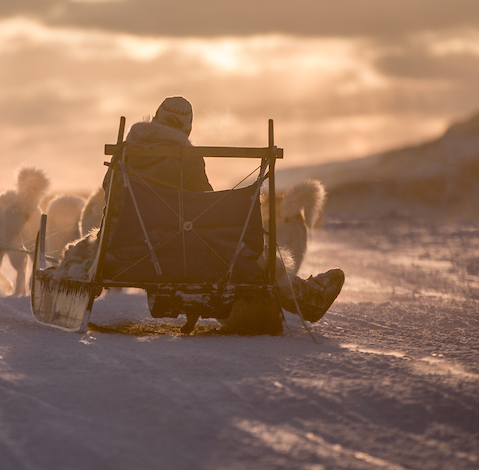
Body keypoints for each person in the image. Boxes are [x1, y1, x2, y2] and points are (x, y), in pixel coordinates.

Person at [131, 96, 345, 324]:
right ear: (187, 130)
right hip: (178, 251)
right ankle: (304, 297)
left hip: (131, 249)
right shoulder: (188, 160)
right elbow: (205, 209)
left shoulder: (126, 154)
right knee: (240, 244)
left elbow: (112, 199)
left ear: (154, 119)